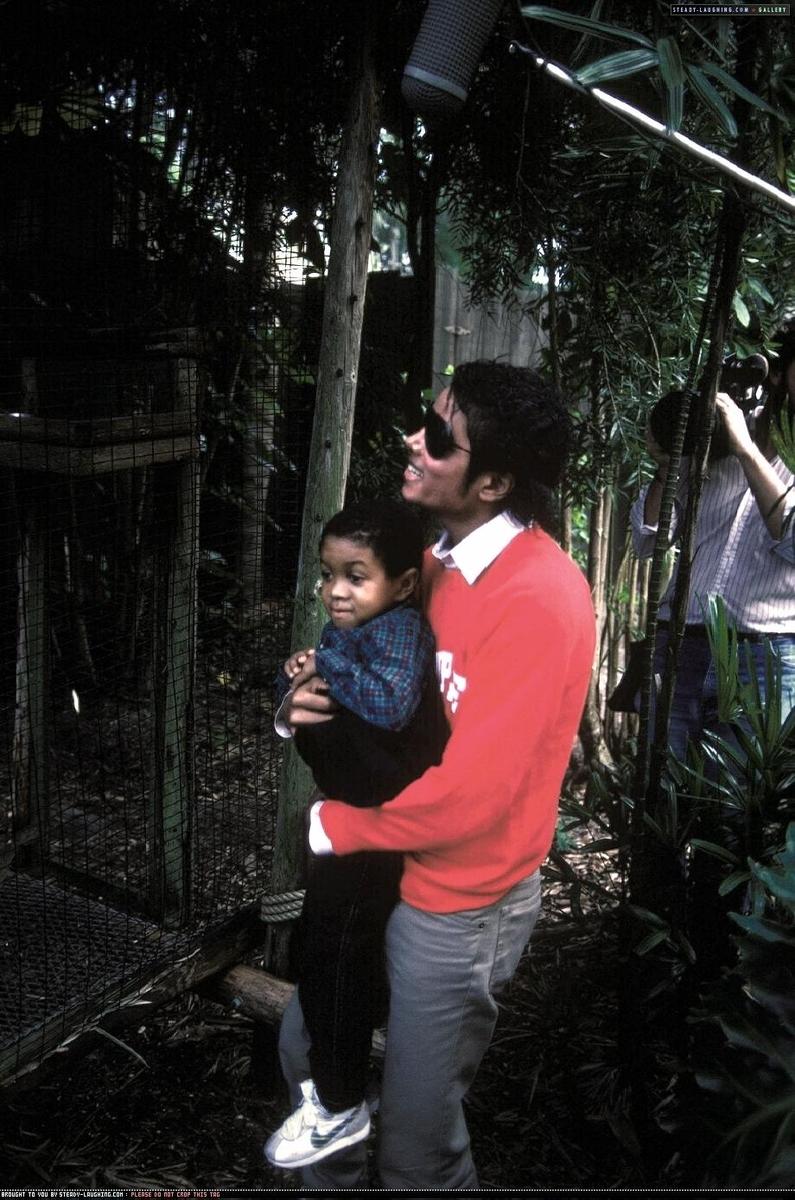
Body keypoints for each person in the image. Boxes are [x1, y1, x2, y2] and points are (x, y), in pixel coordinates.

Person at [273, 360, 596, 1189]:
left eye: (440, 437)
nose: (416, 438)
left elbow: (473, 795)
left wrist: (337, 825)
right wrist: (304, 701)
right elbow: (351, 654)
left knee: (417, 1148)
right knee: (309, 1055)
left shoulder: (540, 598)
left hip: (457, 897)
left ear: (491, 480)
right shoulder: (429, 556)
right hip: (384, 863)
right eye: (428, 418)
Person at [264, 499, 448, 1170]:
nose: (334, 591)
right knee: (328, 945)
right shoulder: (355, 622)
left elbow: (391, 704)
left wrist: (326, 672)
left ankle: (341, 1102)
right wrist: (298, 690)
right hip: (349, 816)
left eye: (354, 575)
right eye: (327, 574)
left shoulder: (398, 628)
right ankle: (331, 1087)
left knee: (342, 948)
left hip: (380, 827)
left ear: (400, 584)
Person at [630, 328, 795, 761]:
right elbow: (651, 541)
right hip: (680, 641)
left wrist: (744, 449)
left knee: (733, 811)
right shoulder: (711, 447)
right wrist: (669, 463)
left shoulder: (741, 447)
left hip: (764, 654)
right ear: (778, 377)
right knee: (661, 790)